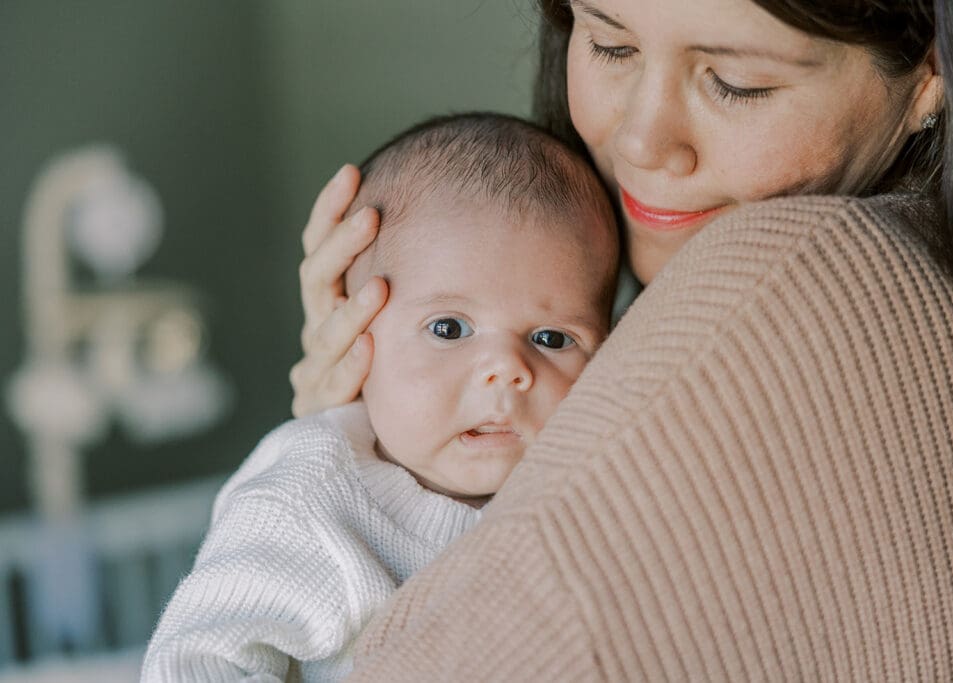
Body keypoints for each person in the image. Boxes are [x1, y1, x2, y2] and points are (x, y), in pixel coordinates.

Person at [290, 0, 953, 679]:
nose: (641, 142)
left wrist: (318, 477)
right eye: (610, 44)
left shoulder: (790, 280)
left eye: (735, 84)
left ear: (934, 67)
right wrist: (370, 452)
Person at [141, 112, 619, 681]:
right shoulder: (313, 498)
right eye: (449, 329)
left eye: (552, 338)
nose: (507, 370)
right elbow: (196, 660)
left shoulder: (586, 492)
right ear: (354, 335)